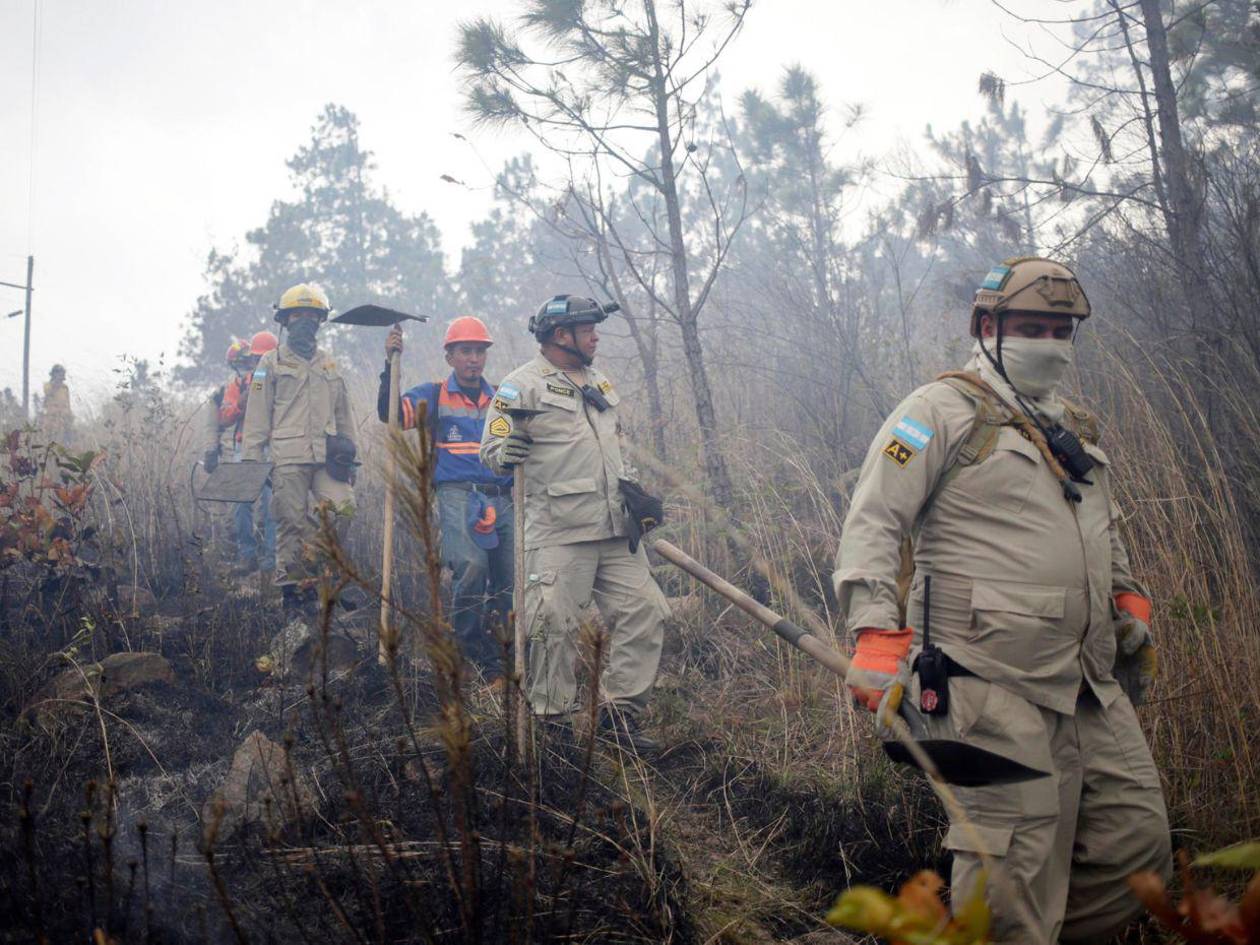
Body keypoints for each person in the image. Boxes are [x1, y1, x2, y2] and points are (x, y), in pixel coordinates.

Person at [833, 257, 1170, 944]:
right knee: (1012, 869)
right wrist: (873, 627)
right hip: (985, 678)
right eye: (1031, 327)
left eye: (1060, 330)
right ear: (987, 327)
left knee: (1137, 843)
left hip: (1086, 680)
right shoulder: (932, 414)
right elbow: (873, 519)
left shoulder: (1071, 422)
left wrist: (1125, 593)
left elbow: (1102, 520)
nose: (1049, 342)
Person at [480, 294, 669, 753]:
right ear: (561, 336)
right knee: (552, 626)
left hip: (613, 528)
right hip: (557, 532)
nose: (596, 336)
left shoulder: (599, 381)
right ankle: (553, 726)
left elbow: (610, 446)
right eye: (588, 329)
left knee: (647, 612)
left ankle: (619, 716)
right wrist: (505, 453)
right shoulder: (519, 386)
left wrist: (633, 492)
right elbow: (492, 448)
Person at [377, 315, 514, 681]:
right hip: (456, 495)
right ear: (450, 356)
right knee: (471, 566)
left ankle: (513, 652)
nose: (474, 359)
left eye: (479, 352)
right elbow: (391, 415)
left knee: (512, 577)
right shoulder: (433, 395)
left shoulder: (501, 398)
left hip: (502, 495)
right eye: (465, 351)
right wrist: (389, 366)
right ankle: (468, 645)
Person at [241, 284, 358, 615]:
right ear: (285, 320)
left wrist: (353, 457)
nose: (305, 321)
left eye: (312, 315)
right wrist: (253, 462)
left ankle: (321, 571)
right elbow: (257, 416)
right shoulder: (270, 362)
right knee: (291, 523)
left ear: (321, 320)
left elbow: (343, 413)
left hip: (328, 458)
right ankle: (294, 593)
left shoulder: (330, 365)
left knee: (344, 509)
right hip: (286, 458)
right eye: (298, 315)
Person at [205, 333, 279, 574]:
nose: (258, 363)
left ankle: (271, 559)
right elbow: (224, 417)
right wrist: (241, 404)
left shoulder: (284, 381)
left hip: (274, 448)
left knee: (272, 506)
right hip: (244, 446)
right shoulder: (240, 384)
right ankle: (246, 555)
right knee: (241, 504)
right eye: (255, 359)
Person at [40, 364, 74, 444]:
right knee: (51, 438)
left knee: (66, 440)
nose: (61, 375)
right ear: (54, 374)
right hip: (52, 417)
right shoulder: (47, 385)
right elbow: (48, 393)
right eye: (59, 373)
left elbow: (68, 403)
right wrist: (56, 382)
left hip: (64, 418)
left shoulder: (65, 388)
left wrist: (69, 415)